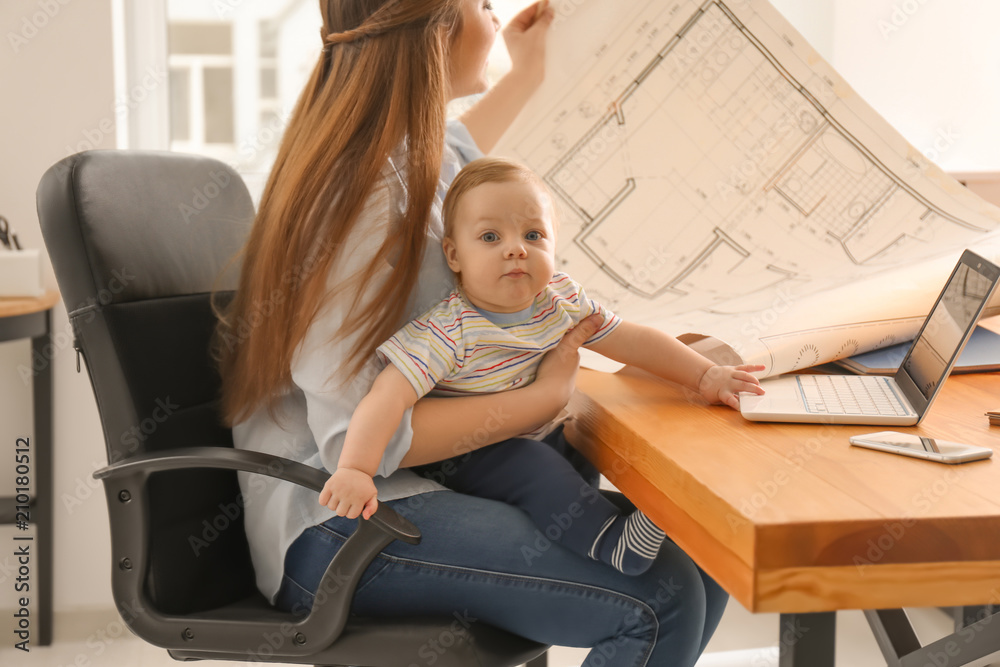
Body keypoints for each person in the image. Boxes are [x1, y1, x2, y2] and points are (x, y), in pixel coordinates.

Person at [217, 1, 742, 664]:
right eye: (483, 3)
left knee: (706, 549)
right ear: (436, 27)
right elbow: (355, 444)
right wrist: (541, 398)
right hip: (337, 518)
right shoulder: (361, 203)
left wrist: (526, 72)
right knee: (662, 598)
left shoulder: (416, 150)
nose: (495, 15)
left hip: (431, 480)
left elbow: (462, 146)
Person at [319, 156, 765, 577]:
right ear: (454, 256)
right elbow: (387, 396)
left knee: (584, 444)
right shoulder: (448, 330)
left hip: (538, 430)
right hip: (467, 454)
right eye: (490, 238)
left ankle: (612, 524)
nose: (516, 249)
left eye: (533, 235)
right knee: (534, 466)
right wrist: (356, 469)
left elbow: (631, 339)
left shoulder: (561, 299)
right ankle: (615, 547)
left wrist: (705, 375)